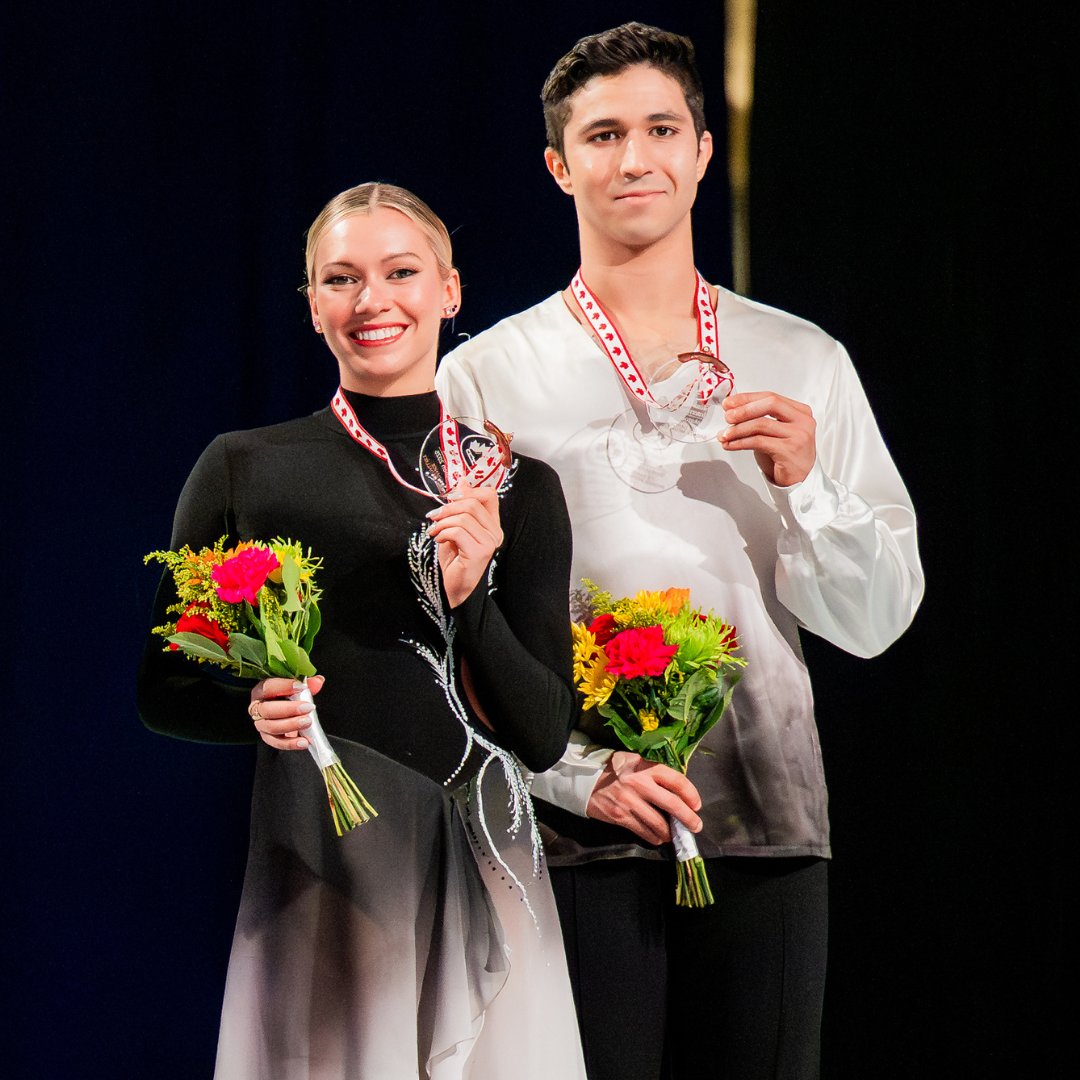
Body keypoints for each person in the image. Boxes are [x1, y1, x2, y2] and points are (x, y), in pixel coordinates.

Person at [435, 22, 924, 1080]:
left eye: (661, 129)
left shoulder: (802, 358)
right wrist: (579, 776)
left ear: (702, 153)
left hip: (765, 807)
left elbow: (878, 619)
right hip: (577, 821)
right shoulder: (485, 376)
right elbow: (455, 629)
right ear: (560, 166)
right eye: (603, 135)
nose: (636, 158)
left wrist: (809, 487)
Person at [138, 182, 587, 1080]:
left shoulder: (518, 487)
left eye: (401, 272)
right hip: (325, 871)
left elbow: (541, 735)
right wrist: (252, 708)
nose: (371, 299)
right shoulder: (244, 468)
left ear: (449, 291)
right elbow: (162, 690)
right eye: (341, 278)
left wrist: (470, 597)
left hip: (488, 859)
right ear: (312, 304)